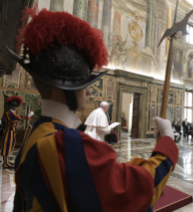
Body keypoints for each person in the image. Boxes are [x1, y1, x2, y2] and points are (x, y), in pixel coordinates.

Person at [9, 7, 178, 211]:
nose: (88, 93)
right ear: (66, 89)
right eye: (84, 84)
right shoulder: (62, 144)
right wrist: (167, 141)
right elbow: (136, 188)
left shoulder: (37, 135)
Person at [0, 96, 33, 168]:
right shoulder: (9, 113)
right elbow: (16, 118)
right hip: (9, 132)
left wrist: (27, 116)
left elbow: (17, 117)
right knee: (7, 147)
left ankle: (7, 161)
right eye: (16, 107)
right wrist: (27, 116)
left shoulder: (12, 113)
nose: (17, 108)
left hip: (12, 132)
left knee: (10, 146)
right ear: (13, 107)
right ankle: (5, 163)